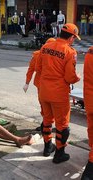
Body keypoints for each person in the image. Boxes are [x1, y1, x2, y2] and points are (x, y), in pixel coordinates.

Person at [36, 23, 81, 163]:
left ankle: (47, 147)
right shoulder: (70, 52)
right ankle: (59, 154)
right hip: (59, 94)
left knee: (47, 121)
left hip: (43, 91)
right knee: (62, 125)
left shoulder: (45, 47)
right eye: (74, 37)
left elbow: (38, 68)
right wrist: (77, 78)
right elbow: (69, 77)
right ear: (72, 37)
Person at [23, 38, 56, 131]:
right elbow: (31, 69)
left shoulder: (38, 55)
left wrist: (27, 83)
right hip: (47, 85)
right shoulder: (39, 55)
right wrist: (27, 82)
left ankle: (47, 124)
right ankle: (47, 124)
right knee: (48, 105)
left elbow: (31, 70)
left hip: (45, 85)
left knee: (45, 104)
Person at [81, 46, 93, 179]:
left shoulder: (90, 51)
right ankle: (90, 170)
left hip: (89, 99)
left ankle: (91, 148)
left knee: (91, 127)